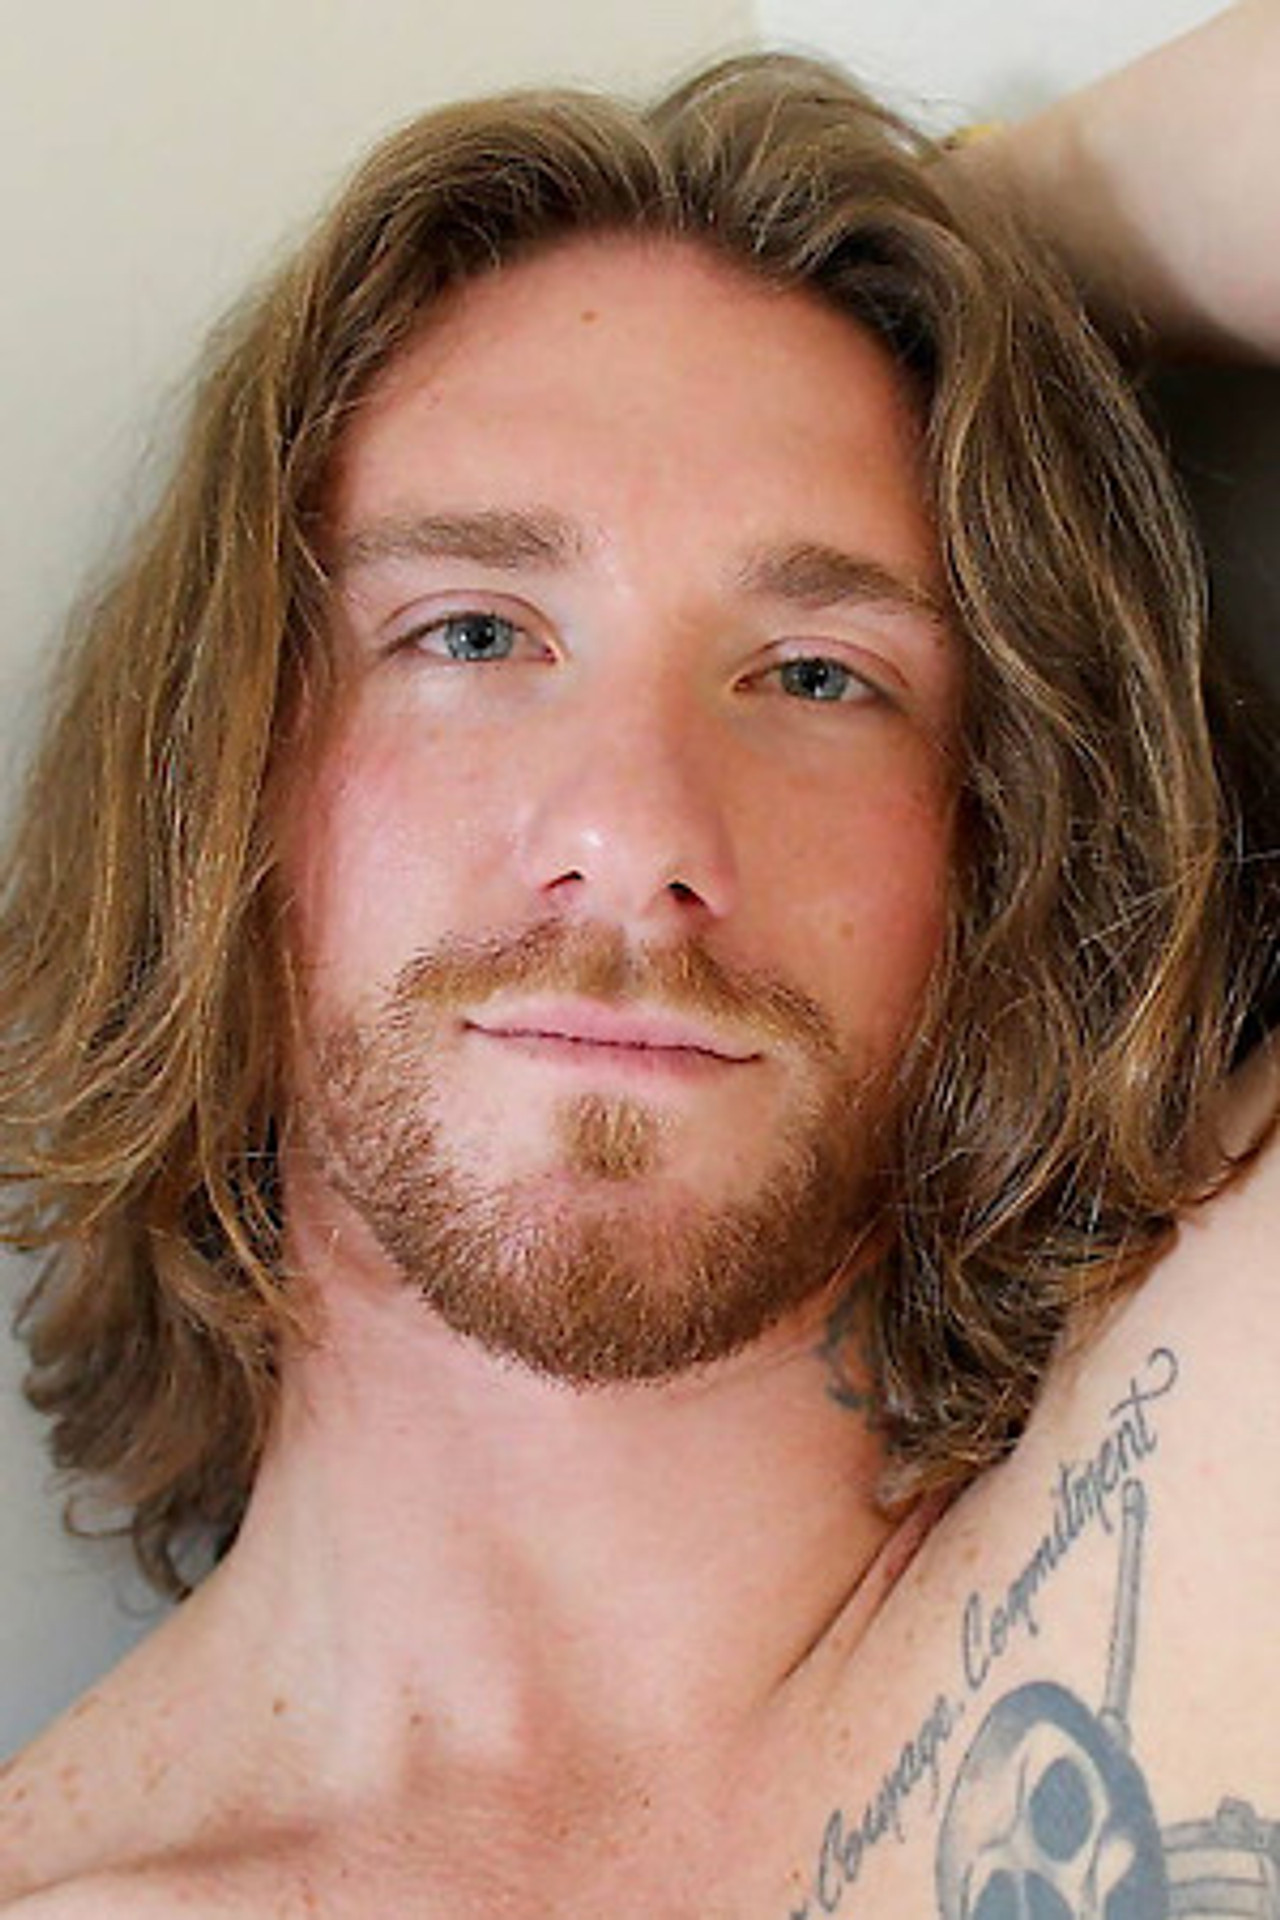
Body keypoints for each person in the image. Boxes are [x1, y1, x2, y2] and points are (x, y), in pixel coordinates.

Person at [1, 3, 1278, 1912]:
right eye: (473, 635)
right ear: (213, 789)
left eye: (819, 674)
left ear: (1005, 843)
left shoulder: (1217, 1501)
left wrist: (989, 250)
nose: (638, 829)